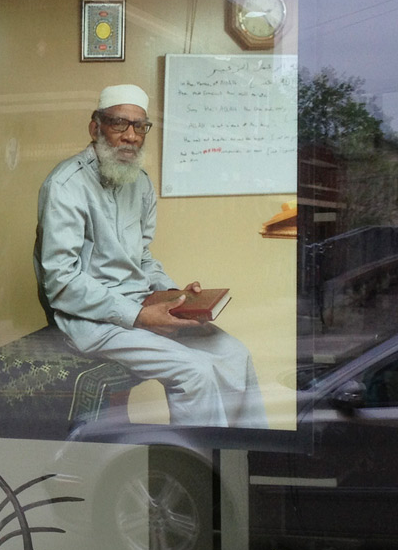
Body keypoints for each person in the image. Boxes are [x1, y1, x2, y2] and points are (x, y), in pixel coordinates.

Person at [35, 83, 266, 427]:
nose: (131, 136)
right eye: (119, 124)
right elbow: (62, 282)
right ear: (95, 127)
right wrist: (140, 316)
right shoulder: (65, 186)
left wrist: (176, 297)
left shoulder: (140, 182)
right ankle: (200, 473)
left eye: (139, 126)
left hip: (142, 305)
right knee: (196, 373)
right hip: (92, 322)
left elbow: (142, 257)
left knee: (235, 354)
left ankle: (245, 460)